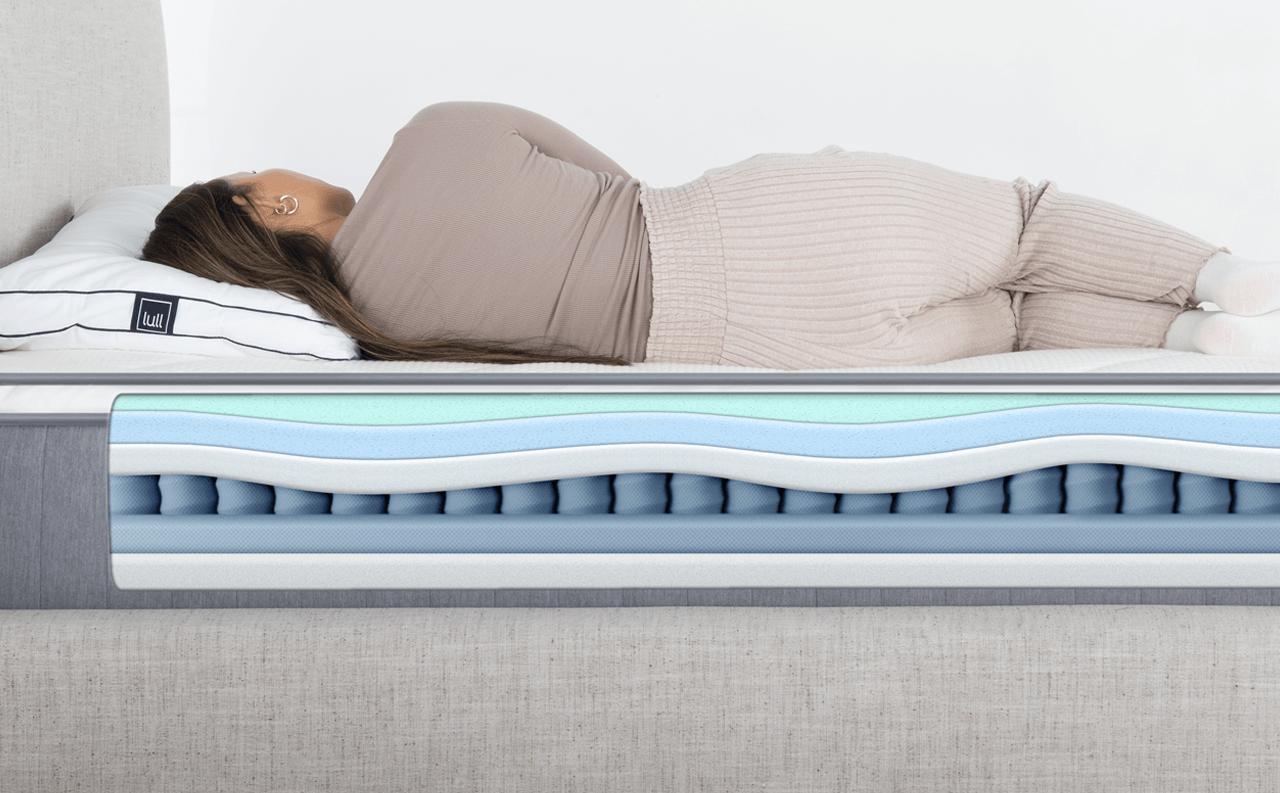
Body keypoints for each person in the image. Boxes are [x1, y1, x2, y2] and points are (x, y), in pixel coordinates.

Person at [142, 101, 1280, 368]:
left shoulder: (374, 333)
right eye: (257, 175)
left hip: (762, 355)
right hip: (752, 231)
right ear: (270, 208)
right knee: (1025, 223)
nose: (278, 165)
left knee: (1017, 320)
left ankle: (1193, 345)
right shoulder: (429, 139)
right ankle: (1219, 276)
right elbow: (609, 178)